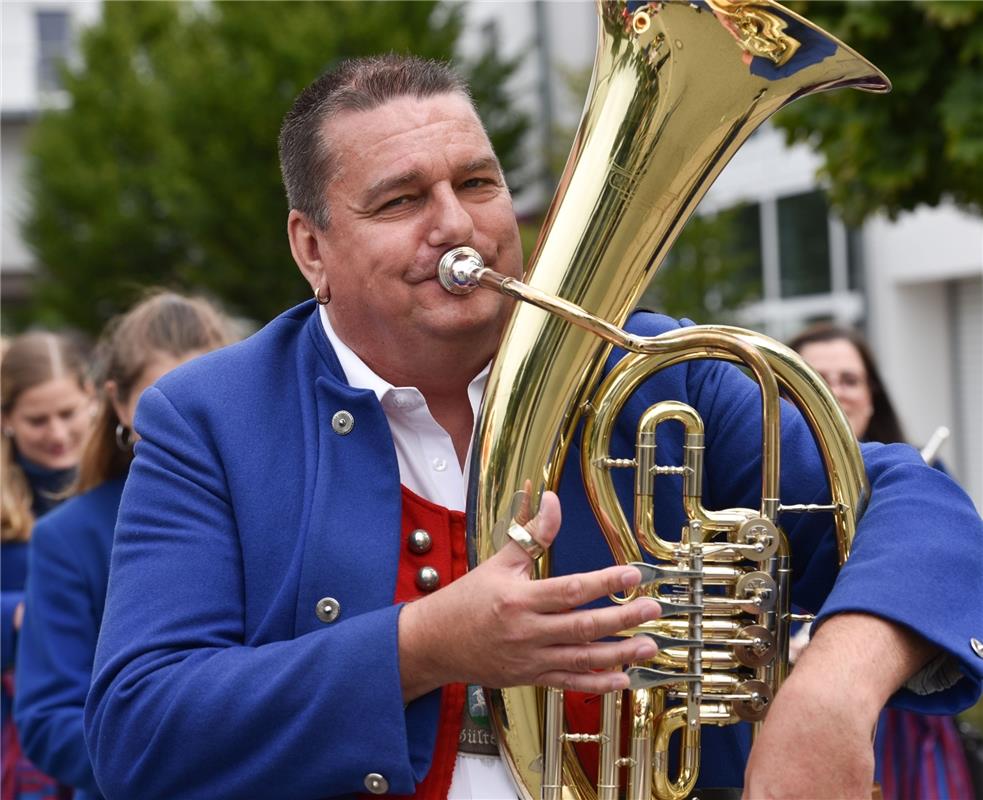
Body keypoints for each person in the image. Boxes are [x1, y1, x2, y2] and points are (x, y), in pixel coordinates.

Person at [84, 55, 983, 800]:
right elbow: (137, 726)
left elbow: (918, 508)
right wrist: (425, 645)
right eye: (400, 201)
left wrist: (835, 683)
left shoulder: (652, 369)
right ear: (311, 247)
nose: (456, 224)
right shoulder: (210, 417)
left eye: (477, 183)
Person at [12, 292, 232, 800]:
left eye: (204, 396)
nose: (185, 421)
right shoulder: (69, 537)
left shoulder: (274, 509)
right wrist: (184, 769)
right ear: (116, 402)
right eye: (161, 400)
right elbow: (47, 718)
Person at [789, 322, 976, 800]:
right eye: (815, 376)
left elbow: (954, 588)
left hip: (902, 722)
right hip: (777, 710)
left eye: (850, 380)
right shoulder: (759, 487)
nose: (834, 392)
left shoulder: (923, 480)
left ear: (871, 396)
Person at [2, 331, 92, 800]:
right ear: (7, 419)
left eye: (68, 414)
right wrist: (17, 613)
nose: (57, 435)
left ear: (94, 398)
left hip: (90, 724)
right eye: (38, 420)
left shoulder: (130, 483)